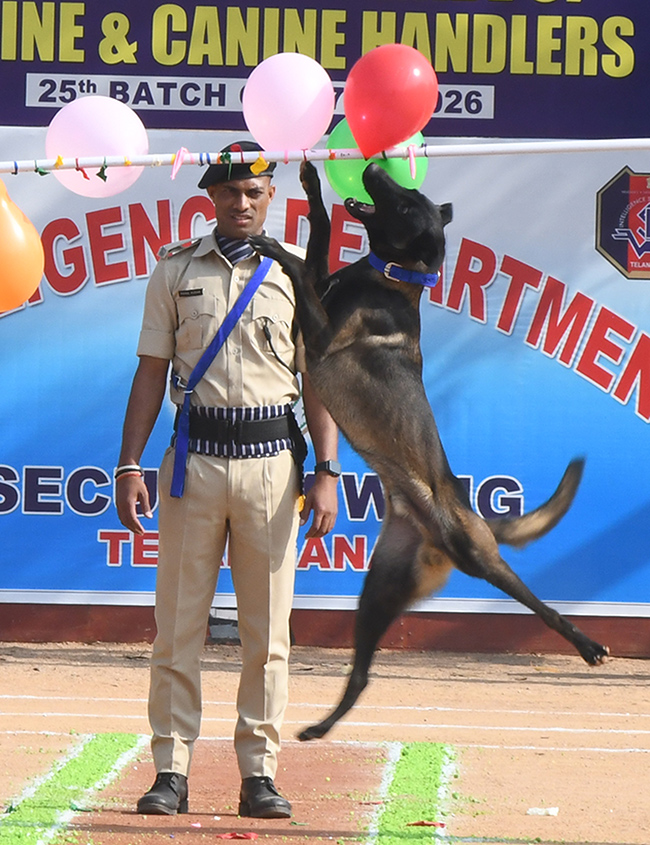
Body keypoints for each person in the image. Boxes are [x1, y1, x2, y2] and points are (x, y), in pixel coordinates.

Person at [115, 140, 340, 819]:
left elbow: (319, 379)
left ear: (273, 197)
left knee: (266, 631)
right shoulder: (175, 271)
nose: (241, 203)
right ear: (209, 196)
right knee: (177, 623)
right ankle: (171, 769)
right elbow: (151, 370)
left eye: (255, 193)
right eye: (230, 192)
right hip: (193, 464)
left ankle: (259, 774)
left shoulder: (299, 274)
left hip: (273, 465)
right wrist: (129, 462)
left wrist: (327, 469)